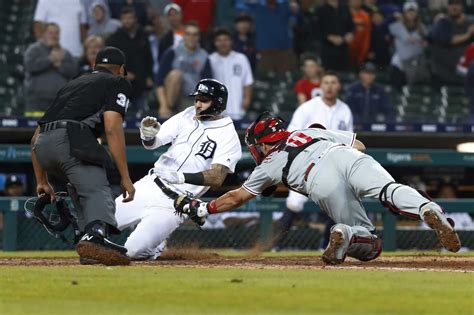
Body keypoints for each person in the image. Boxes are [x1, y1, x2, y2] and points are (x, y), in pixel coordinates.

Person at [174, 112, 462, 264]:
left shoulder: (269, 164)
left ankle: (345, 234)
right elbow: (359, 145)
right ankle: (428, 209)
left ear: (262, 144)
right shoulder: (307, 130)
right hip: (345, 155)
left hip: (319, 181)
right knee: (388, 190)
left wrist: (206, 206)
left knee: (370, 242)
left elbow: (237, 197)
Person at [114, 79, 242, 260]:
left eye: (203, 100)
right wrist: (147, 136)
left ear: (218, 103)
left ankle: (155, 248)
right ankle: (154, 241)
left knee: (133, 252)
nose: (197, 104)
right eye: (196, 99)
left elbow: (216, 177)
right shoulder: (187, 114)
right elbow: (154, 143)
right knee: (100, 227)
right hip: (149, 185)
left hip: (176, 203)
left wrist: (180, 177)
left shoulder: (228, 135)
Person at [30, 47, 135, 266]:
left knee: (80, 187)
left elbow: (35, 138)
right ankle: (95, 235)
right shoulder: (118, 82)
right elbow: (113, 127)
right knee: (98, 186)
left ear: (94, 66)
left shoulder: (72, 84)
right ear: (121, 70)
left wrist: (42, 181)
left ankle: (86, 240)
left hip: (44, 145)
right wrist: (126, 176)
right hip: (71, 137)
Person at [274, 71, 352, 251]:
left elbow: (348, 140)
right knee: (294, 203)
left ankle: (326, 246)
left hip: (334, 164)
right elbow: (291, 135)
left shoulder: (345, 110)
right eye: (326, 82)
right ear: (320, 86)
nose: (330, 86)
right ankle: (275, 245)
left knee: (336, 206)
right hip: (307, 163)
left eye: (333, 82)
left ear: (338, 86)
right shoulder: (308, 108)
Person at [156, 21, 212, 118]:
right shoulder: (173, 51)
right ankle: (169, 108)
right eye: (188, 34)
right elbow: (159, 81)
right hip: (172, 94)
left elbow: (207, 85)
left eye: (195, 35)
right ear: (184, 36)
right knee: (177, 74)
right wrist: (163, 105)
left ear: (199, 37)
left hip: (191, 97)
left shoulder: (204, 56)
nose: (191, 37)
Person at [106, 7, 154, 115]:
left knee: (144, 117)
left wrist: (150, 76)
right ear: (121, 20)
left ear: (135, 19)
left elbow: (149, 59)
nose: (127, 21)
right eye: (124, 18)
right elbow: (110, 63)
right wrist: (124, 73)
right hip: (122, 85)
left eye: (130, 18)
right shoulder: (114, 39)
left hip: (141, 85)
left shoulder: (143, 36)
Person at [24, 23, 77, 117]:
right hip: (36, 101)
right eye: (50, 33)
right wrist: (50, 60)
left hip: (59, 100)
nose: (54, 36)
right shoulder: (34, 49)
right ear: (44, 34)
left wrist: (60, 65)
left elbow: (73, 72)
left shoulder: (65, 53)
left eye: (56, 33)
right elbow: (30, 66)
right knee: (33, 130)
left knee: (55, 129)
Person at [209, 28, 253, 120]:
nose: (223, 43)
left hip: (238, 108)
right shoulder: (210, 60)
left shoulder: (241, 58)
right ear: (215, 43)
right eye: (219, 40)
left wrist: (247, 98)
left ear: (231, 42)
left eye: (225, 40)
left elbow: (248, 81)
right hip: (218, 111)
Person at [430, 0, 474, 86]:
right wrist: (468, 35)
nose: (454, 7)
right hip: (445, 76)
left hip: (467, 76)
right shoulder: (442, 23)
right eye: (451, 4)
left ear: (462, 6)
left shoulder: (470, 23)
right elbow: (449, 39)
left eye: (457, 4)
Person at [389, 2, 427, 88]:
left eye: (413, 11)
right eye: (408, 11)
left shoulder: (422, 28)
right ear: (404, 13)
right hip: (400, 62)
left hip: (416, 63)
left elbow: (426, 41)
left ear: (417, 13)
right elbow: (384, 28)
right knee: (397, 88)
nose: (411, 13)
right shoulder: (397, 25)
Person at [316, 0, 355, 71]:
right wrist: (328, 37)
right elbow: (316, 29)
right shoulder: (320, 9)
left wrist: (350, 34)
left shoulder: (344, 8)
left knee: (344, 72)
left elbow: (351, 26)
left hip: (343, 48)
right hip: (327, 49)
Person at [348, 0, 372, 66]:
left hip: (360, 52)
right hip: (345, 52)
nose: (356, 2)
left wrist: (363, 54)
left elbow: (367, 37)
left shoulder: (366, 16)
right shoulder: (343, 14)